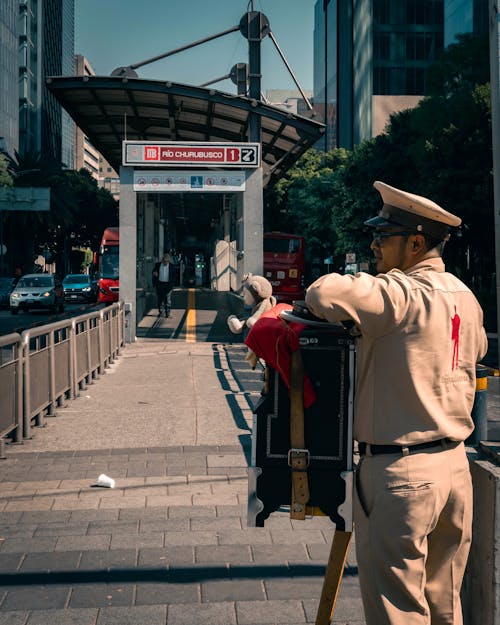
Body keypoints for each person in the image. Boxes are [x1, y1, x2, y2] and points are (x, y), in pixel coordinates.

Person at [305, 180, 488, 625]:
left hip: (401, 474)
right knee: (445, 604)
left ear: (416, 243)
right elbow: (476, 353)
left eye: (383, 237)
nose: (374, 244)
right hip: (455, 471)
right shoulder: (466, 297)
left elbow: (321, 293)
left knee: (399, 611)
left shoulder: (399, 295)